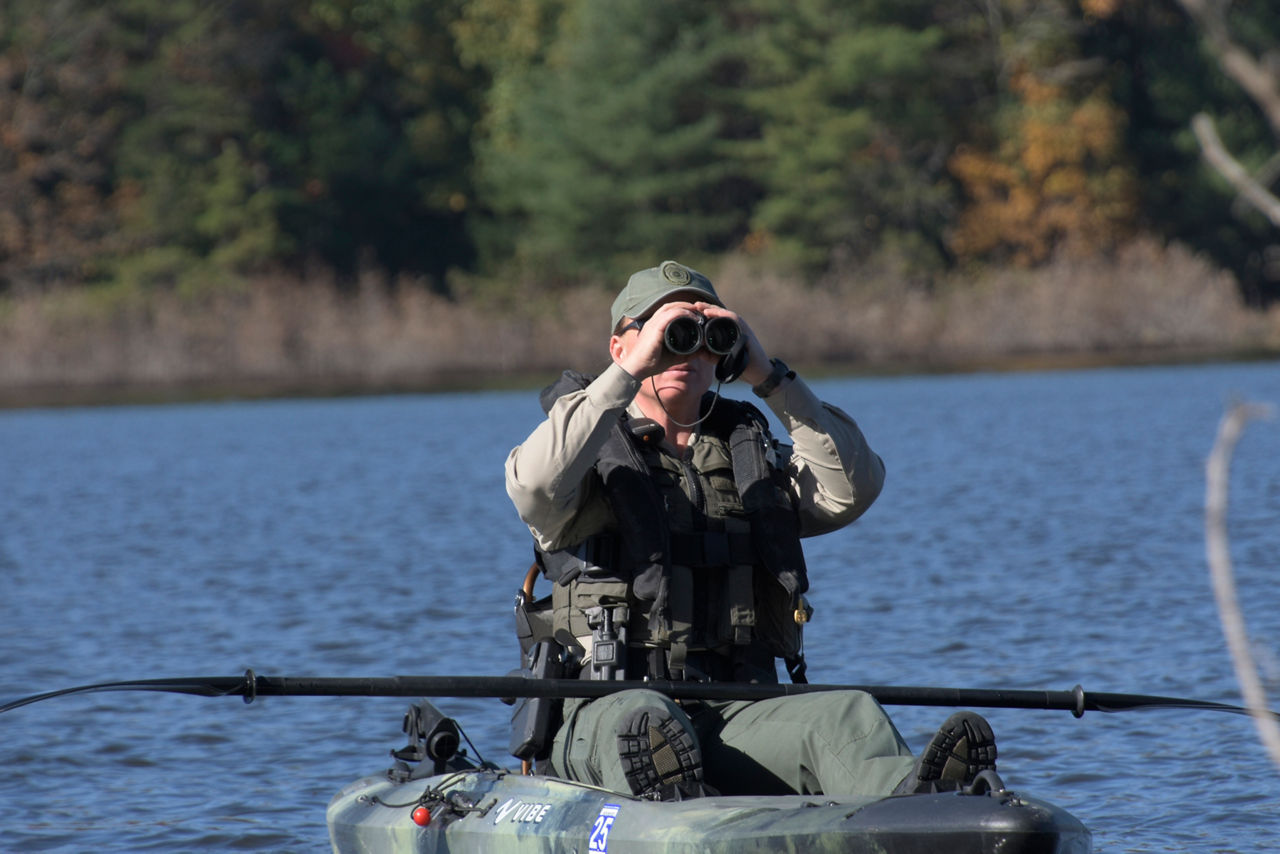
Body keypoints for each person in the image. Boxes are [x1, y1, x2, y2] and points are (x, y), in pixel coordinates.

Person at [504, 260, 997, 799]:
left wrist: (771, 378)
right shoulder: (585, 456)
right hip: (605, 713)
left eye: (702, 338)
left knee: (843, 713)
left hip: (735, 710)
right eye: (666, 334)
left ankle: (918, 800)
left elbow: (853, 488)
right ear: (620, 346)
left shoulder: (749, 460)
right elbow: (532, 485)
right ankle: (676, 803)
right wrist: (624, 375)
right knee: (646, 721)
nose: (684, 352)